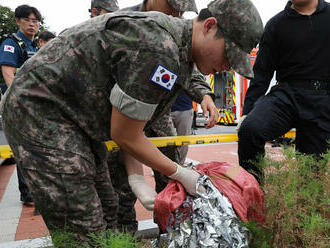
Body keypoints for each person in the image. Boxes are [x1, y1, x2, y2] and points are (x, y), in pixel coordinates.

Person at [1, 0, 263, 241]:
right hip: (41, 113)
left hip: (77, 120)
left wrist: (136, 177)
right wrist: (179, 172)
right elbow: (125, 134)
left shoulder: (182, 53)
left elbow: (132, 121)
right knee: (81, 222)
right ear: (209, 26)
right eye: (228, 55)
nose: (228, 66)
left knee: (108, 207)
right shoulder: (159, 47)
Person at [113, 0, 216, 233]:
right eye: (173, 9)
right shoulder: (127, 24)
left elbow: (189, 71)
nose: (177, 15)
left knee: (171, 175)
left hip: (158, 118)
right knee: (120, 188)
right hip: (119, 119)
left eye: (181, 12)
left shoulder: (178, 34)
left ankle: (172, 231)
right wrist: (136, 177)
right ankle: (125, 233)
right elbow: (124, 130)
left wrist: (204, 95)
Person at [237, 0, 330, 183]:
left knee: (311, 177)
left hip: (322, 99)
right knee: (250, 129)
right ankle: (253, 195)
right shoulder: (276, 24)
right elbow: (262, 72)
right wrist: (247, 111)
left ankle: (306, 209)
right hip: (286, 95)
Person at [0, 4, 41, 207]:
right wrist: (19, 100)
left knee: (35, 148)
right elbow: (8, 73)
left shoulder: (34, 46)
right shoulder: (12, 44)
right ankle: (28, 193)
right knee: (24, 149)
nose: (32, 24)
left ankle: (36, 189)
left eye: (35, 21)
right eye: (28, 20)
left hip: (34, 104)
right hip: (19, 104)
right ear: (18, 21)